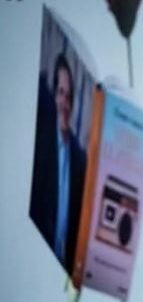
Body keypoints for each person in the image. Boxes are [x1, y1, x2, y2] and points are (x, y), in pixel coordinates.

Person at [30, 53, 87, 274]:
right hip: (37, 263)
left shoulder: (79, 161)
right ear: (54, 95)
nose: (65, 103)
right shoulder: (41, 146)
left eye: (69, 96)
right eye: (61, 93)